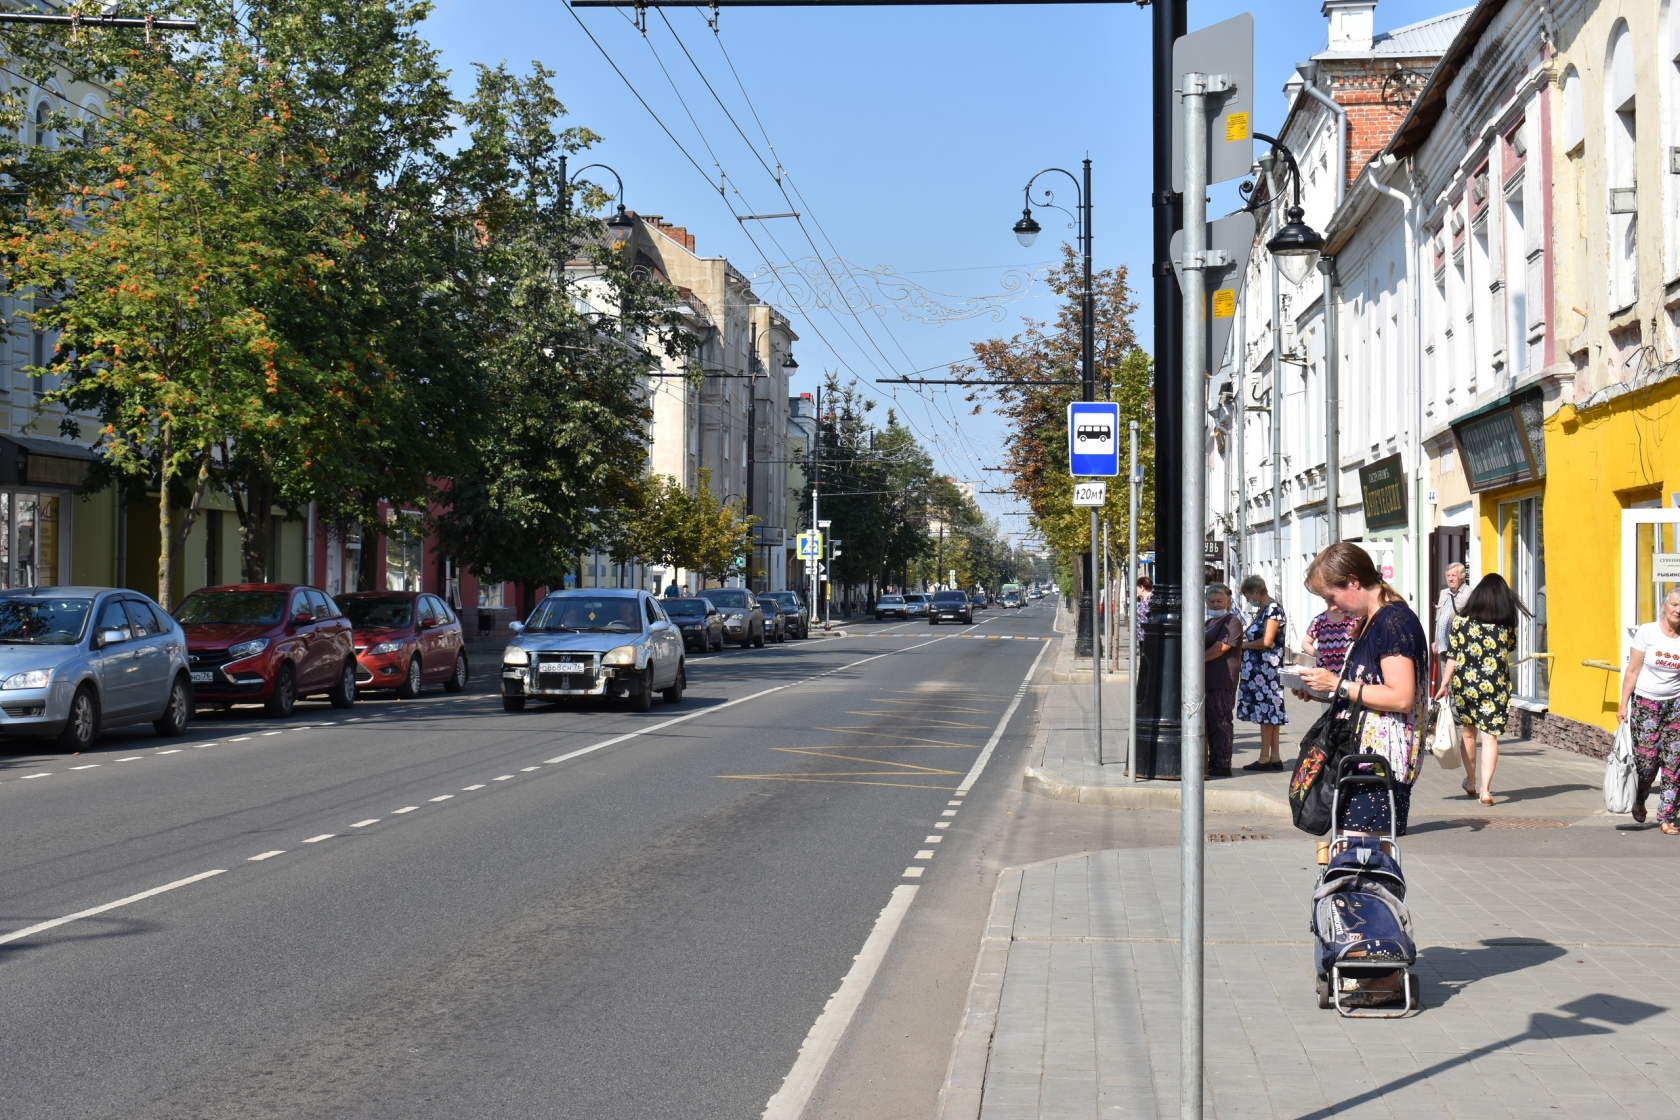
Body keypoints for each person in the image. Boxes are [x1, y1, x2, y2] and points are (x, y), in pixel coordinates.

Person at [1297, 543, 1431, 836]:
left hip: (1380, 764)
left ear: (1354, 582)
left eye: (1331, 597)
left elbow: (1401, 697)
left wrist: (1337, 685)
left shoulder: (1393, 621)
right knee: (1354, 857)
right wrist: (1321, 690)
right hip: (1362, 758)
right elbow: (1364, 689)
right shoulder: (1370, 621)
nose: (1331, 607)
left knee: (1361, 859)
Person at [1435, 573, 1524, 805]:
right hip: (1495, 686)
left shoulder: (1461, 622)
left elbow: (1452, 657)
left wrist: (1444, 685)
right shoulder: (1505, 626)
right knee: (1490, 737)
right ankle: (1486, 790)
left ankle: (1471, 780)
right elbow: (1510, 647)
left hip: (1466, 685)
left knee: (1468, 733)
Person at [1618, 586, 1680, 831]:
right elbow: (1632, 670)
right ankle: (1640, 799)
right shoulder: (1648, 632)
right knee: (1647, 762)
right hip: (1646, 703)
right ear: (1664, 606)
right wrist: (1623, 704)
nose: (1678, 610)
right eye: (1674, 604)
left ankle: (1666, 818)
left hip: (1676, 705)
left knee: (1674, 763)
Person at [1236, 575, 1288, 770]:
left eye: (1249, 595)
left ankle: (1265, 757)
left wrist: (1243, 645)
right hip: (1262, 669)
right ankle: (1274, 756)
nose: (1249, 599)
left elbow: (1267, 641)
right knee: (1270, 712)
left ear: (1256, 592)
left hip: (1267, 670)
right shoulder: (1264, 610)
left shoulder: (1272, 609)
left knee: (1267, 712)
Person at [1203, 584, 1244, 778]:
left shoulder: (1232, 621)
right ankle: (1214, 760)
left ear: (1227, 602)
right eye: (1212, 601)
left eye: (1219, 601)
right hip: (1207, 680)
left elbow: (1222, 647)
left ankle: (1223, 763)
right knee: (1209, 723)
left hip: (1222, 678)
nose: (1215, 604)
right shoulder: (1208, 622)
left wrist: (1196, 659)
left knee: (1221, 722)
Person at [1302, 595, 1357, 678]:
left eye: (1335, 599)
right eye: (1330, 599)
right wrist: (1320, 656)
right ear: (1325, 599)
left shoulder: (1353, 618)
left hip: (1348, 668)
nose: (1333, 603)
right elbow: (1305, 643)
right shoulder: (1319, 620)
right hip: (1326, 669)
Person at [1434, 562, 1472, 678]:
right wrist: (1436, 640)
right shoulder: (1444, 593)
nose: (1450, 579)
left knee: (1457, 679)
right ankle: (1449, 697)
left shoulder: (1470, 593)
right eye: (1448, 576)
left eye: (1453, 576)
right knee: (1446, 681)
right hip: (1443, 645)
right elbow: (1439, 619)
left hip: (1458, 647)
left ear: (1461, 576)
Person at [1134, 576, 1154, 645]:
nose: (1136, 590)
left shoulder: (1151, 601)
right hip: (1142, 637)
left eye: (1137, 587)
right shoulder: (1144, 601)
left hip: (1148, 637)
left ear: (1142, 587)